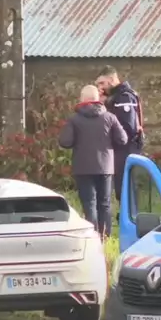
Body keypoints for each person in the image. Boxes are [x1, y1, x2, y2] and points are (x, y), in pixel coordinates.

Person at [59, 85, 128, 239]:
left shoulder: (74, 119)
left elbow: (65, 141)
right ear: (97, 99)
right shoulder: (109, 117)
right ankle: (105, 237)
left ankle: (92, 238)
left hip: (83, 167)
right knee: (105, 203)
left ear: (83, 99)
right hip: (105, 167)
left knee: (89, 204)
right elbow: (123, 139)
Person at [95, 66, 144, 219]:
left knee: (126, 186)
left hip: (126, 148)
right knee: (122, 186)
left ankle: (130, 218)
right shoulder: (116, 97)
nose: (100, 88)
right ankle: (127, 216)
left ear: (111, 79)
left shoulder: (124, 97)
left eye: (102, 83)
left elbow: (127, 127)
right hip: (122, 149)